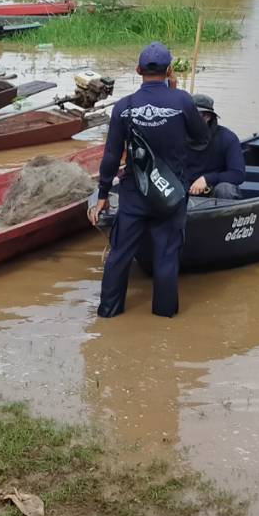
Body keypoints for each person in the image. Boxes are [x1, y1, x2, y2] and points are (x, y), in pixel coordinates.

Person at [88, 42, 209, 319]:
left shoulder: (124, 107)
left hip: (134, 192)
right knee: (166, 257)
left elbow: (111, 156)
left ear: (138, 70)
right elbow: (202, 139)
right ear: (169, 70)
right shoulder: (182, 102)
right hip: (171, 192)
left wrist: (103, 194)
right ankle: (164, 318)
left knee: (119, 255)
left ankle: (108, 313)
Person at [188, 94, 245, 200]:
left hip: (213, 193)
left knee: (226, 189)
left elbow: (238, 174)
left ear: (208, 117)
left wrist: (207, 179)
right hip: (182, 191)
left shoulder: (227, 138)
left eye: (196, 115)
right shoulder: (176, 135)